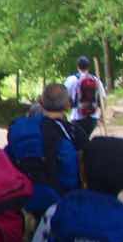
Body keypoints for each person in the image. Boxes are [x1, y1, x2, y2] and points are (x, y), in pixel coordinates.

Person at [7, 83, 88, 226]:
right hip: (62, 203)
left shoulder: (20, 127)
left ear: (40, 102)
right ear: (68, 105)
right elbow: (84, 170)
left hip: (23, 201)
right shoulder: (74, 133)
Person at [64, 56, 105, 137]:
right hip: (93, 117)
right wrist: (101, 116)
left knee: (78, 143)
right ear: (88, 67)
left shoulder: (72, 79)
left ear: (77, 66)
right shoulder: (96, 79)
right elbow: (103, 99)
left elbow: (63, 95)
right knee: (86, 139)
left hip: (77, 117)